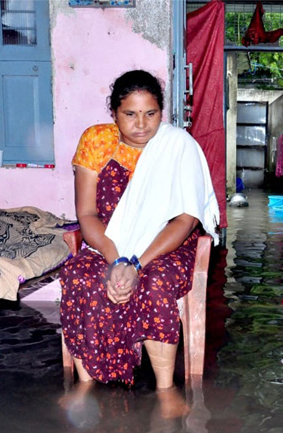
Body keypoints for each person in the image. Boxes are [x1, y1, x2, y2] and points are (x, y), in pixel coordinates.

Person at [60, 70, 219, 392]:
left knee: (156, 283)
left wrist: (135, 264)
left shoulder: (177, 146)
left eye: (151, 113)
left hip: (165, 245)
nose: (142, 124)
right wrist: (115, 258)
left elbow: (185, 220)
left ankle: (164, 388)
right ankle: (86, 381)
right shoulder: (97, 141)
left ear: (163, 112)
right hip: (106, 241)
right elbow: (87, 213)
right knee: (79, 276)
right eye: (129, 114)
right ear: (114, 114)